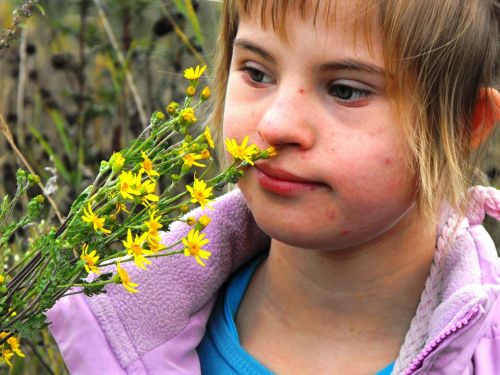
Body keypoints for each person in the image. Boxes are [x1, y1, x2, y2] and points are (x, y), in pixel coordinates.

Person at [47, 0, 500, 374]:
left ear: (465, 124)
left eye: (344, 90)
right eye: (257, 73)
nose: (275, 124)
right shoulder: (123, 330)